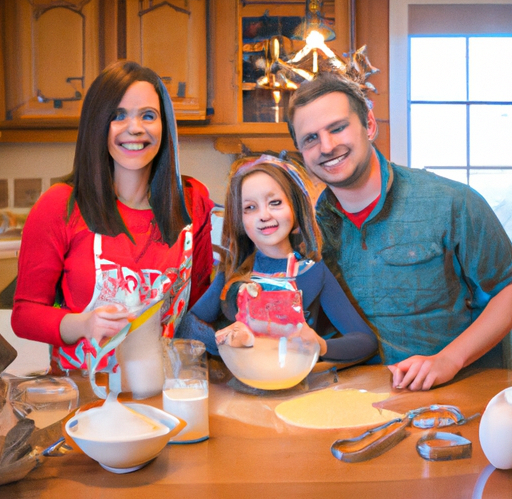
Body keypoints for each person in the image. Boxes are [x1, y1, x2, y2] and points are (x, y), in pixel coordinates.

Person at [286, 72, 512, 391]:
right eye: (310, 138)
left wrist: (449, 359)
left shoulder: (452, 202)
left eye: (338, 128)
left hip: (450, 397)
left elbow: (508, 288)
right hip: (346, 399)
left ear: (369, 125)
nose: (327, 146)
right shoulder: (304, 231)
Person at [11, 60, 214, 371]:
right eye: (118, 116)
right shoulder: (60, 205)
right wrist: (84, 323)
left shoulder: (192, 201)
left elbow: (201, 306)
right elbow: (25, 315)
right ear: (97, 124)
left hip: (169, 389)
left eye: (148, 115)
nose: (135, 128)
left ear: (165, 126)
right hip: (86, 396)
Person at [176, 154, 378, 365]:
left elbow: (365, 341)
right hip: (241, 391)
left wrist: (320, 345)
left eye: (275, 203)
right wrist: (225, 344)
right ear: (239, 220)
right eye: (250, 207)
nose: (264, 215)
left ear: (296, 210)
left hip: (300, 390)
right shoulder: (231, 273)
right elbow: (186, 326)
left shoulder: (312, 272)